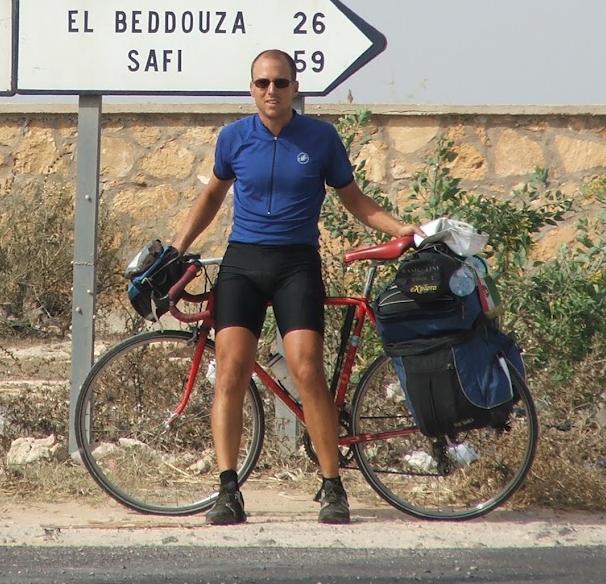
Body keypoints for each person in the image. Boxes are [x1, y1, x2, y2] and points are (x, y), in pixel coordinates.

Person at [168, 48, 419, 526]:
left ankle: (332, 485)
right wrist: (178, 247)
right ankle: (227, 489)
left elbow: (355, 200)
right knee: (231, 372)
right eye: (262, 83)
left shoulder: (321, 138)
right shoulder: (234, 138)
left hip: (295, 265)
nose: (271, 92)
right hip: (243, 263)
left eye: (280, 83)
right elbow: (211, 197)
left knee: (307, 370)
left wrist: (403, 229)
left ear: (295, 88)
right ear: (251, 88)